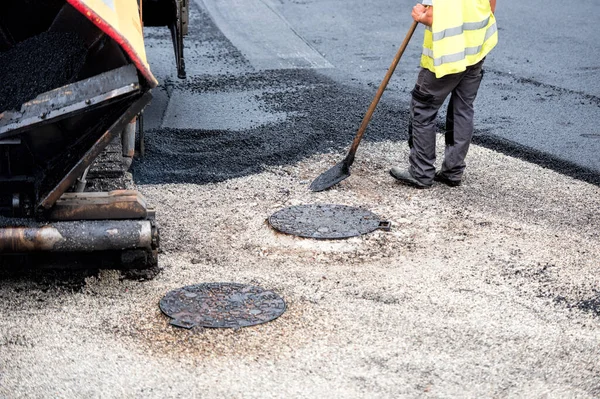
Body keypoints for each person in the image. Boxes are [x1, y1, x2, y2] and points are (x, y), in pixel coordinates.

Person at [390, 0, 498, 188]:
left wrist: (419, 15)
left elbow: (432, 17)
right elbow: (491, 6)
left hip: (448, 54)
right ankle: (453, 171)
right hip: (476, 47)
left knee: (423, 108)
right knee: (462, 109)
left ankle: (420, 172)